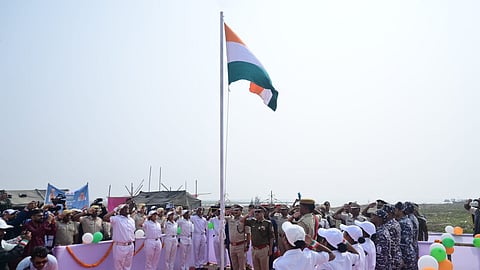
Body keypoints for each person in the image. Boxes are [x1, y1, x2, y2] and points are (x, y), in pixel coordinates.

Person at [103, 204, 135, 270]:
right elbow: (105, 218)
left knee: (128, 266)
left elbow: (133, 233)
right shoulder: (116, 219)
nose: (127, 209)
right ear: (120, 210)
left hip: (130, 245)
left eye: (127, 207)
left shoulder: (131, 220)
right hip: (120, 246)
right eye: (125, 208)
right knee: (119, 267)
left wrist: (134, 245)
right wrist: (115, 210)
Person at [241, 206, 274, 270]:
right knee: (256, 267)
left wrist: (270, 249)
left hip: (263, 248)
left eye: (259, 212)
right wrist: (249, 214)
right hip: (254, 249)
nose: (257, 213)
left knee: (264, 268)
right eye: (255, 212)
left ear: (263, 213)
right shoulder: (252, 222)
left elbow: (271, 237)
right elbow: (242, 221)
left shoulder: (267, 223)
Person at [226, 205, 250, 270]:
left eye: (237, 210)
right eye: (234, 210)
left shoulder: (244, 220)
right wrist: (229, 211)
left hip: (241, 245)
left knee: (242, 266)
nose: (235, 212)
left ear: (241, 211)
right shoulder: (229, 219)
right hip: (231, 245)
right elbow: (220, 217)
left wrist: (247, 245)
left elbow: (248, 233)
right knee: (234, 265)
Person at [394, 202, 416, 270]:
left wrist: (401, 258)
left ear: (400, 211)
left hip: (405, 255)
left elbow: (403, 243)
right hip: (410, 252)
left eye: (395, 209)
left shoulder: (402, 223)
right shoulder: (408, 220)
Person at [382, 204, 402, 270]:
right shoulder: (395, 223)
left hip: (392, 259)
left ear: (389, 213)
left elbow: (391, 245)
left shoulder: (389, 226)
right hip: (396, 256)